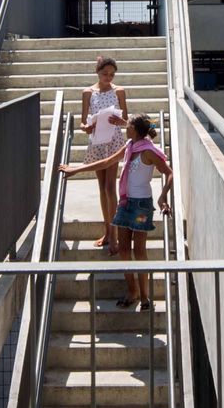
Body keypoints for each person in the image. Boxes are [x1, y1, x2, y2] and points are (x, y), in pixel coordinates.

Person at [62, 114, 172, 310]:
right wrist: (77, 169)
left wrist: (163, 196)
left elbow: (169, 173)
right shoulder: (129, 146)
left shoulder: (148, 151)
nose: (125, 127)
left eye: (127, 125)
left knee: (139, 251)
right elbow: (106, 162)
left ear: (135, 130)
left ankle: (145, 296)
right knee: (123, 250)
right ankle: (132, 291)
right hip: (125, 204)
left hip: (141, 207)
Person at [79, 56, 130, 253]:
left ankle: (114, 235)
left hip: (113, 141)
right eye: (105, 74)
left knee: (110, 188)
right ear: (97, 72)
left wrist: (120, 121)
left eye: (112, 74)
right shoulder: (88, 93)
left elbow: (126, 120)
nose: (108, 77)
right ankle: (108, 231)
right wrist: (86, 127)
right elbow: (83, 122)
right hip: (96, 141)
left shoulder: (119, 91)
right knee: (102, 188)